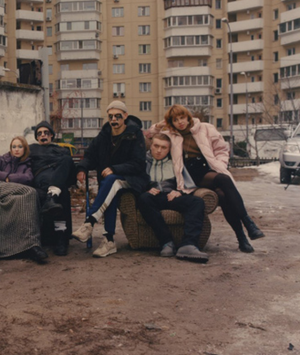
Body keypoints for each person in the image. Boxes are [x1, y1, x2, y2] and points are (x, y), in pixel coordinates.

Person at [146, 104, 264, 253]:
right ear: (171, 122)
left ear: (188, 117)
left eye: (182, 117)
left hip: (206, 169)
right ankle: (248, 224)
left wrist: (219, 165)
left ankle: (242, 237)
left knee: (223, 195)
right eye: (175, 120)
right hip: (188, 174)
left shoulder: (206, 128)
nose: (180, 122)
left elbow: (222, 149)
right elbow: (149, 135)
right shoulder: (171, 134)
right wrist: (160, 125)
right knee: (224, 180)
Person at [72, 100, 149, 257]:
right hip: (111, 181)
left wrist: (115, 169)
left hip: (132, 179)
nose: (114, 120)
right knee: (110, 186)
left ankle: (89, 223)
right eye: (111, 116)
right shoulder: (104, 135)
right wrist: (82, 168)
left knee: (111, 181)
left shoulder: (135, 134)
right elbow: (90, 155)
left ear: (125, 116)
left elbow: (138, 163)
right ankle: (109, 241)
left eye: (118, 116)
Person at [138, 133, 209, 262]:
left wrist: (179, 191)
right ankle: (166, 242)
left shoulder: (175, 162)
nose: (159, 150)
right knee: (144, 198)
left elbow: (187, 182)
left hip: (171, 195)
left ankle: (188, 245)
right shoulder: (141, 162)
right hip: (152, 197)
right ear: (151, 146)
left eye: (164, 147)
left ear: (169, 149)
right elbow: (134, 181)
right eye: (156, 146)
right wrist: (146, 189)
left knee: (197, 202)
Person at [0, 136, 49, 264]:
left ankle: (29, 245)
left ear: (25, 149)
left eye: (20, 147)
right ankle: (34, 245)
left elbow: (28, 178)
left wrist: (9, 179)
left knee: (24, 200)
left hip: (14, 192)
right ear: (10, 148)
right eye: (14, 147)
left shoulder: (27, 165)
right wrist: (5, 177)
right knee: (31, 192)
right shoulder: (1, 159)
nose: (16, 149)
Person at [28, 121, 76, 256]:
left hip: (59, 180)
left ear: (51, 135)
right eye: (39, 133)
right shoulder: (31, 149)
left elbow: (70, 174)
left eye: (46, 132)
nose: (43, 135)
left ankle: (61, 238)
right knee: (61, 193)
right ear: (37, 137)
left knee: (67, 161)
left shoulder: (62, 150)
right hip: (41, 181)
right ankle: (52, 197)